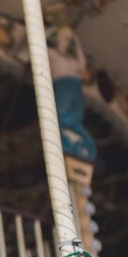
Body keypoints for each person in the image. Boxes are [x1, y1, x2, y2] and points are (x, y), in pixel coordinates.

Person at [47, 25, 96, 162]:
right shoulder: (51, 52)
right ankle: (67, 141)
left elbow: (82, 64)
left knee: (76, 116)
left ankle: (72, 143)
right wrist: (53, 29)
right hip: (62, 85)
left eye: (68, 40)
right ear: (57, 39)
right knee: (63, 115)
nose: (67, 42)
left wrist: (76, 39)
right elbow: (39, 41)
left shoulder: (71, 58)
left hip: (75, 87)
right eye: (64, 39)